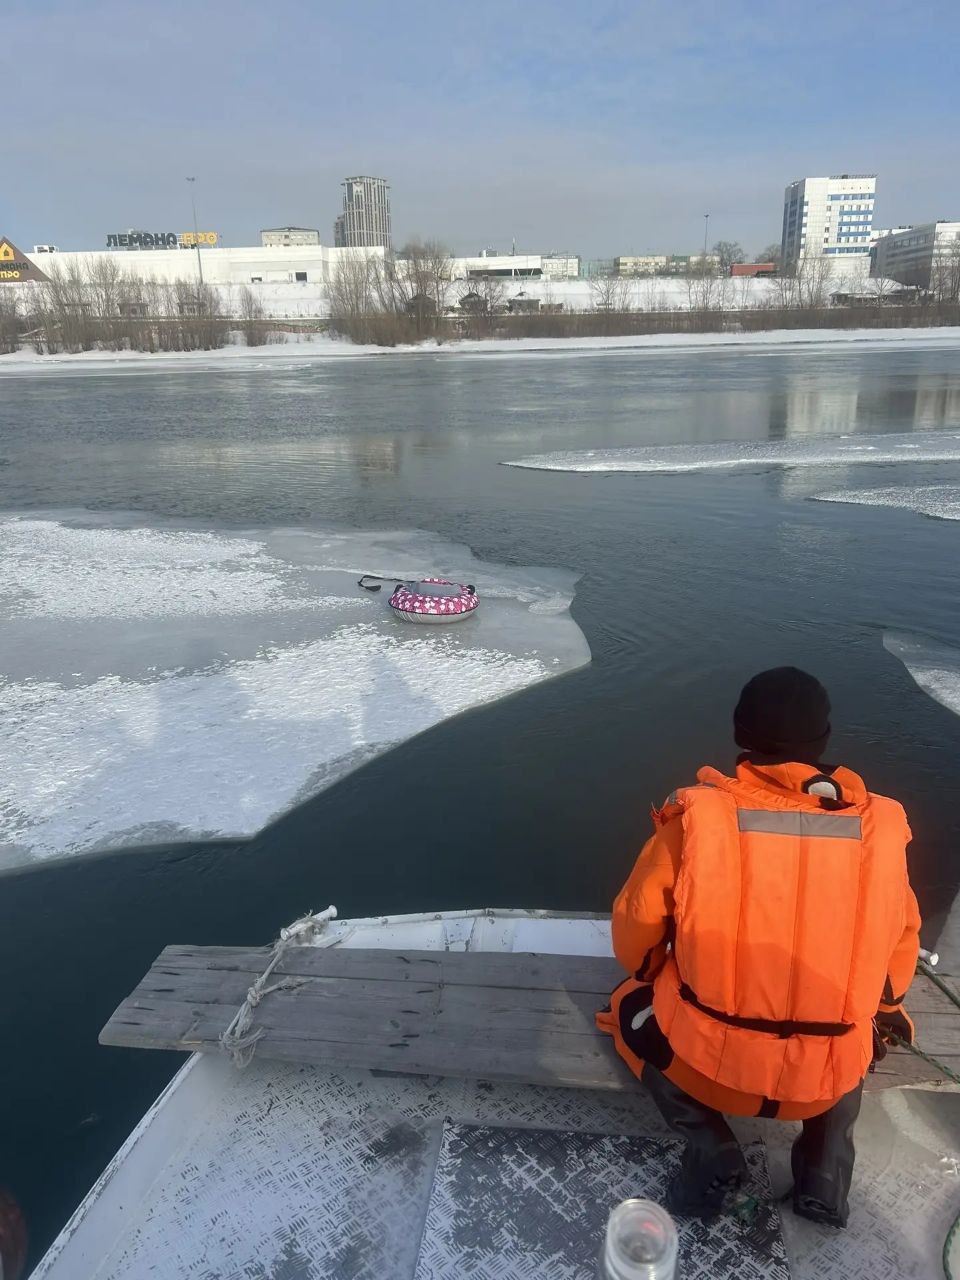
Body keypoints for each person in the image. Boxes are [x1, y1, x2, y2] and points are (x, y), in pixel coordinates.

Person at [597, 667, 921, 1228]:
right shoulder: (880, 828)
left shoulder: (698, 819)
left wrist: (650, 970)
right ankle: (824, 1173)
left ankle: (711, 1143)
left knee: (628, 1008)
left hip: (709, 1069)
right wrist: (888, 1008)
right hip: (822, 1083)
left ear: (740, 735)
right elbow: (901, 938)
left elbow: (638, 930)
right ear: (823, 740)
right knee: (855, 1042)